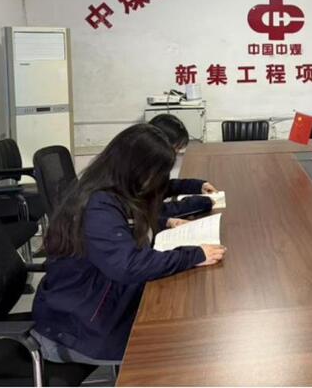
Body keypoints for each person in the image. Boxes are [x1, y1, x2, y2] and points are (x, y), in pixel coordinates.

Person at [32, 124, 226, 364]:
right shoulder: (98, 205)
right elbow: (127, 265)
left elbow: (123, 228)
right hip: (79, 331)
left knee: (186, 328)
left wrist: (164, 223)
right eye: (157, 175)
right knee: (184, 348)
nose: (158, 183)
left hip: (98, 309)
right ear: (137, 169)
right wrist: (193, 255)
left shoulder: (110, 191)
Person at [149, 114, 218, 227]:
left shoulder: (153, 163)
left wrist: (198, 185)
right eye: (175, 149)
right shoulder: (140, 169)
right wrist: (196, 204)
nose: (175, 155)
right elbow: (151, 212)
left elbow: (163, 187)